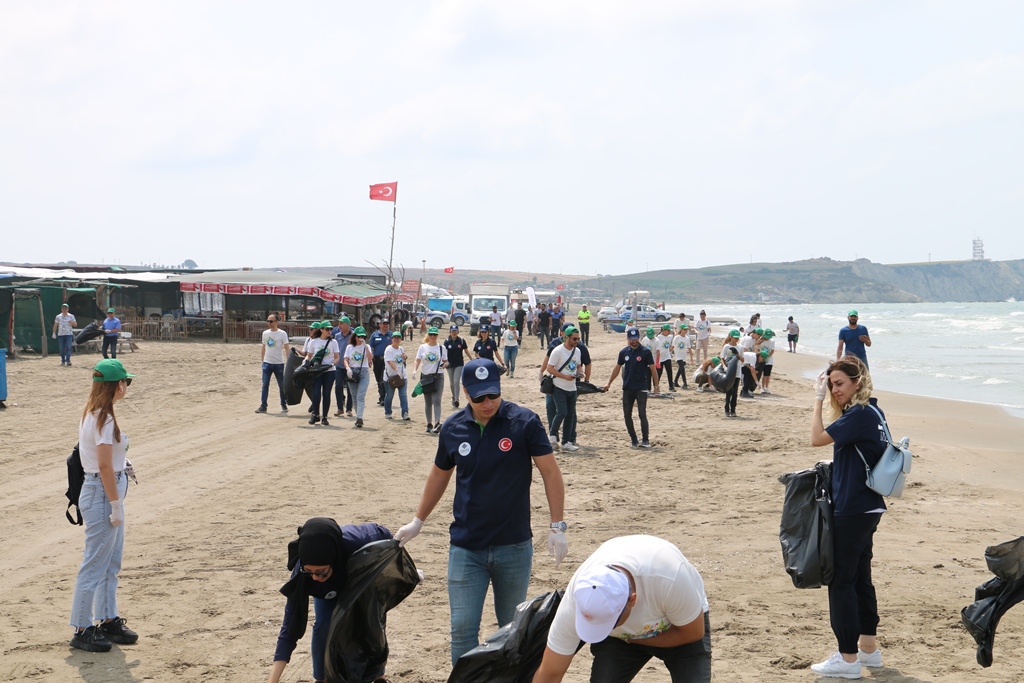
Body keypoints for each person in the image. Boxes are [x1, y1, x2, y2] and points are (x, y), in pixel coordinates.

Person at [394, 358, 567, 665]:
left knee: (512, 629)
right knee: (462, 629)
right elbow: (439, 475)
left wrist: (558, 525)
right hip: (466, 547)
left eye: (493, 395)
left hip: (513, 546)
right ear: (465, 392)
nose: (488, 403)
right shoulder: (453, 428)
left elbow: (550, 473)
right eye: (479, 398)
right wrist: (418, 520)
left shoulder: (524, 423)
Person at [531, 535, 711, 683]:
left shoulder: (670, 579)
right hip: (621, 640)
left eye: (608, 623)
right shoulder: (577, 599)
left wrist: (636, 639)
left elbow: (692, 633)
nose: (604, 629)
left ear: (632, 600)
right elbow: (550, 674)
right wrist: (626, 637)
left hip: (677, 627)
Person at [809, 355, 886, 679]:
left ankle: (848, 658)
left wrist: (816, 400)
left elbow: (816, 438)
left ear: (857, 382)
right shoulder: (874, 411)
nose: (834, 390)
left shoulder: (859, 414)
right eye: (830, 385)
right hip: (868, 506)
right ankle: (868, 651)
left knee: (840, 581)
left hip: (852, 508)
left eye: (839, 384)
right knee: (860, 578)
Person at [267, 518, 397, 683]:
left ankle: (379, 676)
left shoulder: (359, 541)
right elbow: (289, 628)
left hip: (358, 576)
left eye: (320, 572)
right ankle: (321, 679)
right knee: (323, 625)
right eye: (309, 572)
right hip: (328, 589)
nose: (315, 577)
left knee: (371, 621)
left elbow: (388, 538)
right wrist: (273, 681)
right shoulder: (302, 574)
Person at [69, 359, 140, 652]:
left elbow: (105, 459)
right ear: (116, 385)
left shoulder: (94, 413)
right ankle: (82, 627)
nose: (126, 386)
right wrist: (115, 505)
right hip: (101, 493)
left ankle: (107, 618)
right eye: (125, 381)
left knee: (110, 563)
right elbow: (102, 466)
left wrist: (122, 463)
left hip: (102, 489)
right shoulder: (104, 418)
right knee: (95, 564)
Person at [604, 327, 658, 448]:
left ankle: (645, 440)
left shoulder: (645, 352)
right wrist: (609, 383)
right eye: (631, 339)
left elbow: (653, 368)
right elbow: (617, 368)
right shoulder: (624, 352)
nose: (634, 341)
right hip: (627, 388)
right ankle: (634, 439)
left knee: (642, 414)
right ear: (628, 338)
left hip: (641, 388)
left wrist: (656, 385)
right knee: (627, 415)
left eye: (636, 338)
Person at [546, 325, 583, 452]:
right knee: (562, 412)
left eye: (578, 339)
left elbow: (578, 366)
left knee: (570, 415)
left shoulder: (577, 351)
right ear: (566, 337)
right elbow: (549, 368)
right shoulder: (557, 351)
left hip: (572, 388)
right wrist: (564, 376)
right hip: (559, 386)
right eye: (574, 339)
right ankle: (552, 435)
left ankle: (566, 441)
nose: (577, 341)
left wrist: (580, 373)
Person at [414, 326, 448, 434]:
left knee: (436, 400)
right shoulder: (422, 347)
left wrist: (445, 364)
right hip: (426, 377)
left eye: (435, 335)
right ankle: (429, 423)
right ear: (428, 335)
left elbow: (446, 361)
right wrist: (415, 370)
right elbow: (417, 360)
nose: (433, 337)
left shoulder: (442, 348)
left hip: (438, 376)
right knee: (428, 401)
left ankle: (437, 422)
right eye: (431, 334)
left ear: (437, 336)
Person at [304, 322, 340, 426]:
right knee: (316, 393)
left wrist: (333, 363)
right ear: (321, 330)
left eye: (330, 329)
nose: (329, 331)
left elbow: (337, 357)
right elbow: (309, 355)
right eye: (327, 329)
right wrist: (306, 361)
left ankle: (324, 416)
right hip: (317, 370)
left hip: (329, 370)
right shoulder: (314, 342)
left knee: (326, 393)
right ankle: (315, 414)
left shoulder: (333, 342)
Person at [256, 314, 291, 414]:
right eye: (267, 321)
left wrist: (288, 360)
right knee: (265, 384)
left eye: (271, 321)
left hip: (278, 363)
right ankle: (263, 405)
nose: (269, 323)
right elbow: (263, 347)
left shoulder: (282, 334)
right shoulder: (265, 333)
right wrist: (263, 360)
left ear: (276, 322)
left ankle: (283, 403)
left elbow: (286, 347)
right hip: (267, 362)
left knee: (281, 384)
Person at [343, 326, 372, 428]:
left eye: (363, 336)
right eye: (359, 336)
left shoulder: (366, 346)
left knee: (360, 395)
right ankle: (358, 416)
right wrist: (348, 369)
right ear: (354, 336)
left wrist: (365, 347)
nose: (360, 338)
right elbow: (346, 360)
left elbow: (370, 358)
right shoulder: (350, 347)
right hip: (352, 371)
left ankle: (360, 417)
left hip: (363, 371)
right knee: (354, 396)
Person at [383, 331, 410, 421]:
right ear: (392, 339)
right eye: (395, 338)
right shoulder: (389, 349)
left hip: (402, 376)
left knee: (403, 395)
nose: (396, 339)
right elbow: (390, 362)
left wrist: (405, 357)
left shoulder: (401, 349)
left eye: (398, 338)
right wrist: (397, 370)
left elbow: (402, 361)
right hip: (390, 377)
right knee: (389, 395)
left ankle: (405, 413)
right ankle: (388, 412)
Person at [444, 324, 472, 409]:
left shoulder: (461, 341)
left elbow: (466, 350)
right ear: (450, 332)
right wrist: (445, 362)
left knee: (456, 381)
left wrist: (471, 359)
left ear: (458, 332)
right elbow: (444, 353)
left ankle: (457, 399)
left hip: (459, 364)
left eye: (455, 331)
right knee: (451, 383)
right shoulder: (446, 341)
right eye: (452, 331)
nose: (454, 333)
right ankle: (453, 396)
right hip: (449, 365)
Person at [332, 316, 354, 417]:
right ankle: (340, 408)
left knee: (350, 388)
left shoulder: (353, 336)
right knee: (338, 386)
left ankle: (349, 409)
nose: (339, 326)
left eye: (341, 324)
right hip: (339, 365)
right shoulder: (337, 336)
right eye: (339, 323)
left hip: (350, 366)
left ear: (347, 324)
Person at [369, 319, 392, 405]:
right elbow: (371, 347)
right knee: (378, 378)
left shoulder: (391, 335)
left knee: (383, 377)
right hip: (377, 359)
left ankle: (383, 398)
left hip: (387, 360)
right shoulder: (374, 335)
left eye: (387, 324)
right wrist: (370, 358)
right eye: (384, 324)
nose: (386, 326)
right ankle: (382, 395)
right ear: (380, 325)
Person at [53, 302, 78, 366]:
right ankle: (63, 360)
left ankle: (68, 360)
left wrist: (72, 323)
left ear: (68, 309)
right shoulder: (58, 316)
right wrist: (54, 332)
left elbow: (75, 324)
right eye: (63, 308)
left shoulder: (71, 316)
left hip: (68, 334)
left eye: (65, 308)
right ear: (61, 309)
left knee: (68, 347)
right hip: (61, 334)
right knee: (62, 348)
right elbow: (55, 325)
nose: (64, 309)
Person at [655, 324, 676, 392]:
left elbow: (671, 344)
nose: (669, 332)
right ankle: (656, 386)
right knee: (659, 373)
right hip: (660, 357)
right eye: (668, 330)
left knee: (669, 371)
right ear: (663, 330)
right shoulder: (659, 337)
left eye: (669, 330)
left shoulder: (670, 337)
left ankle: (671, 386)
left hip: (667, 356)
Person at [672, 324, 692, 389]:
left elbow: (689, 348)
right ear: (681, 330)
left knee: (680, 369)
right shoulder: (677, 337)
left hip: (684, 356)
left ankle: (675, 381)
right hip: (678, 356)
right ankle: (685, 383)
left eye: (686, 330)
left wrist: (691, 357)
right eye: (685, 329)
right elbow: (672, 346)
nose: (686, 331)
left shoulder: (687, 338)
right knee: (682, 368)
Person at [759, 329, 776, 394]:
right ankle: (762, 387)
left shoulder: (772, 341)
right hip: (761, 359)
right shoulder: (761, 341)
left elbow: (772, 351)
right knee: (763, 374)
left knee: (767, 374)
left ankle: (766, 387)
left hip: (769, 360)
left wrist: (767, 357)